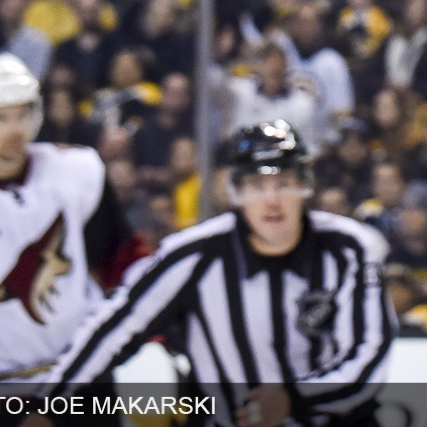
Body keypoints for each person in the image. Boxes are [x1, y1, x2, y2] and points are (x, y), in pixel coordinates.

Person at [41, 121, 393, 421]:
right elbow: (114, 327)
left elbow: (368, 356)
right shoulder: (193, 255)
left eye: (284, 183)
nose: (272, 200)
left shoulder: (348, 249)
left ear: (305, 187)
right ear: (236, 193)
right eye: (257, 186)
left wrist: (292, 398)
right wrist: (49, 406)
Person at [0, 55, 142, 384]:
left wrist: (152, 327)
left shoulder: (77, 172)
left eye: (23, 114)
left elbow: (122, 263)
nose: (14, 129)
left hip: (79, 377)